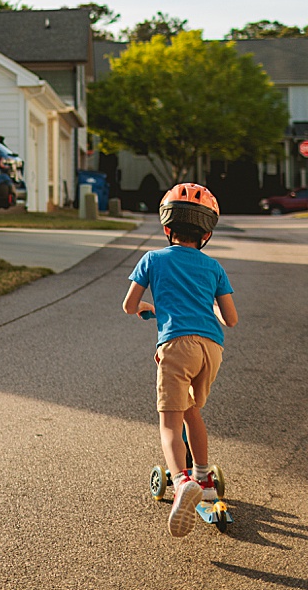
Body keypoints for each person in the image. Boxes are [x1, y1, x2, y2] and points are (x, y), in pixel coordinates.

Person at [122, 183, 238, 538]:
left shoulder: (152, 260)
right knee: (192, 412)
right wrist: (212, 307)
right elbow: (231, 319)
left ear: (166, 227)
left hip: (176, 346)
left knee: (169, 422)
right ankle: (203, 476)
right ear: (206, 233)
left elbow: (129, 305)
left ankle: (180, 479)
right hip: (211, 349)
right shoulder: (214, 266)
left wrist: (146, 308)